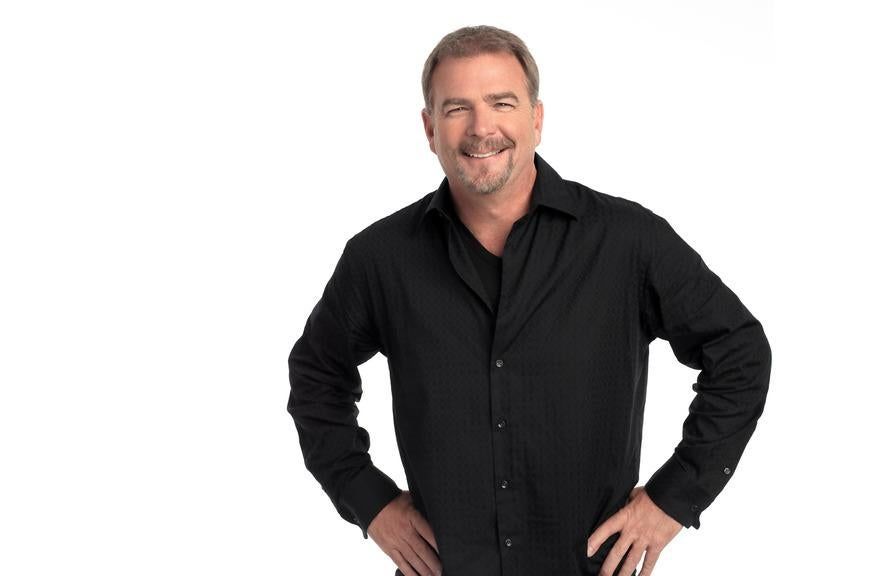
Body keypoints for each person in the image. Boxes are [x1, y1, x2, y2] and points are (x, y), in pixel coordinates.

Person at [286, 25, 771, 576]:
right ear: (429, 128)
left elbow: (739, 352)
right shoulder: (380, 258)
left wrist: (674, 498)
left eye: (502, 103)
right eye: (457, 108)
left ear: (536, 119)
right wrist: (368, 501)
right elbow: (316, 377)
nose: (481, 127)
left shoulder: (627, 241)